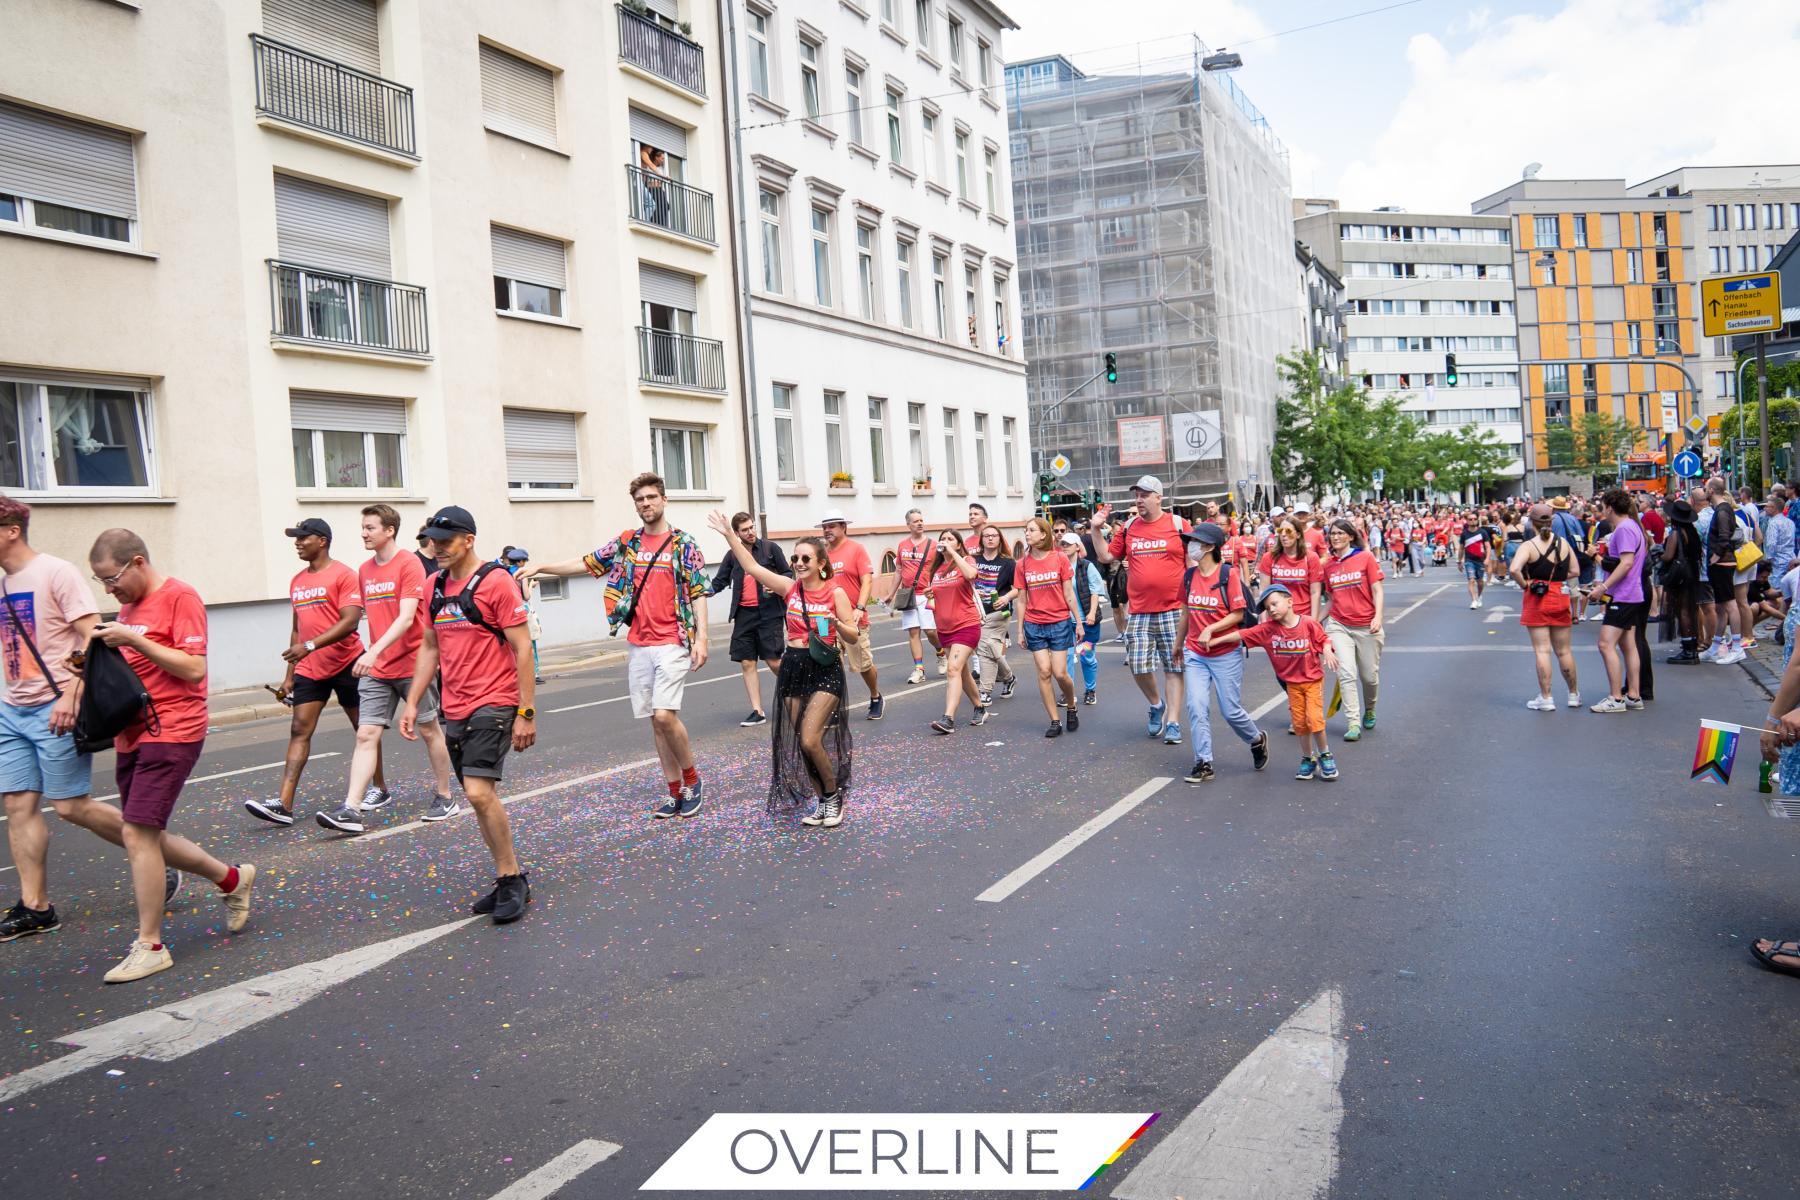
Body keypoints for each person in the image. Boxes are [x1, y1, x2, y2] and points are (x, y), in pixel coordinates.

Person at [0, 501, 184, 941]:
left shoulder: (55, 572)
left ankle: (156, 857)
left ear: (9, 530)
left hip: (56, 705)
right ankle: (36, 907)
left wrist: (70, 694)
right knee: (17, 806)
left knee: (69, 805)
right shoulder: (3, 583)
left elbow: (92, 638)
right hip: (12, 709)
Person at [79, 529, 255, 981]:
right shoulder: (129, 606)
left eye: (111, 578)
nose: (108, 589)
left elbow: (194, 668)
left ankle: (150, 945)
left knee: (138, 833)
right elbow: (137, 665)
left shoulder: (181, 597)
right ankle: (232, 879)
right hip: (131, 732)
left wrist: (133, 640)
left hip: (173, 728)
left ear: (137, 562)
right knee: (146, 835)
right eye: (101, 582)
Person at [522, 473, 710, 817]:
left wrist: (702, 639)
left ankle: (692, 780)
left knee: (666, 715)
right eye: (640, 499)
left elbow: (697, 591)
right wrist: (543, 566)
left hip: (673, 640)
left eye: (652, 497)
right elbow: (587, 562)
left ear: (664, 500)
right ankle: (673, 792)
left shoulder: (684, 544)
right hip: (639, 642)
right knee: (655, 721)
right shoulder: (628, 543)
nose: (646, 504)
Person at [401, 506, 536, 922]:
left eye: (445, 540)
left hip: (495, 701)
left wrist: (526, 711)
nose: (436, 548)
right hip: (453, 705)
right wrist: (412, 700)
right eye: (432, 540)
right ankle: (507, 876)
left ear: (468, 540)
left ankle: (513, 880)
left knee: (478, 792)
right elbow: (429, 646)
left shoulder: (496, 583)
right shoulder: (432, 586)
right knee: (481, 800)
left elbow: (523, 648)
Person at [706, 512, 860, 827]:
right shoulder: (789, 588)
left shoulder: (836, 593)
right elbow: (751, 567)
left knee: (809, 738)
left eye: (806, 558)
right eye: (795, 558)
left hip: (825, 668)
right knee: (803, 740)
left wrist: (836, 623)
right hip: (793, 666)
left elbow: (853, 635)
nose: (799, 562)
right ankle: (821, 802)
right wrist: (728, 536)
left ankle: (833, 796)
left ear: (821, 563)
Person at [316, 505, 458, 834]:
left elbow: (407, 617)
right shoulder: (365, 570)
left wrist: (374, 649)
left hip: (412, 664)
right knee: (366, 734)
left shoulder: (408, 564)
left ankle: (445, 796)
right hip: (379, 669)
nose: (364, 533)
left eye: (370, 528)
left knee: (428, 730)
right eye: (363, 528)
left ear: (389, 530)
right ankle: (351, 809)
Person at [246, 519, 369, 825]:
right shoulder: (297, 580)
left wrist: (310, 646)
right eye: (295, 538)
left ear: (323, 540)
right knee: (299, 729)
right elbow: (296, 629)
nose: (297, 542)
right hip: (311, 668)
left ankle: (376, 790)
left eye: (303, 537)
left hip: (347, 662)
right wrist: (289, 675)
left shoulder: (344, 575)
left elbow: (350, 621)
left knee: (364, 731)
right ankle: (283, 805)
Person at [1093, 475, 1189, 745]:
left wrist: (1194, 604)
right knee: (1138, 665)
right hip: (1140, 610)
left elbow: (1193, 565)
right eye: (1137, 494)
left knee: (1174, 668)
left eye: (1145, 494)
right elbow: (1106, 557)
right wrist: (1095, 529)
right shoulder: (1129, 528)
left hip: (1173, 608)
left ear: (1159, 497)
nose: (1139, 499)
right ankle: (1156, 703)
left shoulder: (1179, 525)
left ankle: (1173, 721)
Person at [1173, 522, 1269, 783]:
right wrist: (1178, 643)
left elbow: (1237, 614)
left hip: (1225, 653)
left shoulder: (1229, 575)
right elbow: (1185, 613)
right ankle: (1203, 762)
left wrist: (1211, 629)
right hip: (1195, 653)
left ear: (1210, 547)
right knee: (1196, 706)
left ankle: (1256, 739)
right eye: (1191, 540)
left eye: (1197, 541)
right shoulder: (1189, 576)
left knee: (1230, 710)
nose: (1191, 545)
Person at [1211, 584, 1338, 781]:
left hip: (1312, 680)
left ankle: (1325, 755)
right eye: (1267, 607)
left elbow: (1324, 640)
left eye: (1274, 603)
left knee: (1314, 720)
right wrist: (1213, 641)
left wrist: (1328, 650)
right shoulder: (1268, 629)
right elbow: (1241, 635)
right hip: (1292, 684)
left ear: (1290, 601)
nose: (1271, 609)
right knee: (1300, 724)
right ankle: (1308, 758)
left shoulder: (1307, 623)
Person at [707, 511, 790, 727]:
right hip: (744, 614)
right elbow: (719, 581)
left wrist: (775, 586)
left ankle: (796, 695)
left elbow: (788, 574)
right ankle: (757, 711)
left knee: (773, 660)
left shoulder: (771, 549)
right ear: (736, 533)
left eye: (752, 527)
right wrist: (702, 592)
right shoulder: (732, 555)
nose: (751, 532)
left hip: (770, 612)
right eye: (745, 530)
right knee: (747, 661)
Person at [1003, 518, 1081, 738]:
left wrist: (1079, 622)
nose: (1027, 534)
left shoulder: (1060, 559)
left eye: (1031, 530)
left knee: (1060, 673)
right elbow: (1021, 600)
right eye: (1026, 530)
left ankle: (1071, 705)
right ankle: (1054, 720)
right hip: (1034, 624)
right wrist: (1019, 630)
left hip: (1059, 622)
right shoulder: (1022, 564)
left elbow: (1068, 594)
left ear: (1043, 534)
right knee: (1044, 672)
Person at [1320, 519, 1385, 741]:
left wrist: (1378, 616)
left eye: (1340, 533)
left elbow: (1377, 590)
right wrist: (1312, 622)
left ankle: (1370, 709)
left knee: (1369, 677)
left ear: (1350, 536)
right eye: (1332, 534)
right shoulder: (1328, 566)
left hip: (1367, 625)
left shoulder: (1365, 557)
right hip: (1339, 626)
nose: (1335, 537)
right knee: (1346, 673)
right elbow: (1330, 600)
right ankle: (1353, 722)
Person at [1511, 503, 1580, 710]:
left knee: (1542, 650)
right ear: (1551, 521)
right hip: (1560, 594)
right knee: (1564, 650)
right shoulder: (1564, 544)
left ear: (1531, 522)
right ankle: (1573, 694)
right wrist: (1557, 578)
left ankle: (1547, 697)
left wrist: (1526, 585)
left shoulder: (1528, 546)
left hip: (1536, 597)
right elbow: (1575, 571)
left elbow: (1515, 569)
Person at [1585, 488, 1647, 713]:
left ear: (1610, 508)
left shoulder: (1624, 529)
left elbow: (1627, 563)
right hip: (1630, 593)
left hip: (1624, 594)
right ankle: (1633, 694)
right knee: (1628, 645)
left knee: (1605, 644)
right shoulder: (1633, 526)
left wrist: (1603, 586)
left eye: (1603, 507)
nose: (1602, 511)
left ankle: (1617, 698)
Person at [819, 511, 884, 720]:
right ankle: (834, 706)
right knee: (828, 664)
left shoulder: (856, 549)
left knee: (863, 664)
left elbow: (867, 581)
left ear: (843, 527)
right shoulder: (821, 554)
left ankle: (875, 696)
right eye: (824, 527)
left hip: (853, 619)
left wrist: (860, 607)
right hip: (826, 619)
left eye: (832, 526)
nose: (827, 530)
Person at [927, 530, 985, 734]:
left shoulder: (966, 560)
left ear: (959, 544)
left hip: (966, 625)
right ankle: (979, 707)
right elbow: (936, 598)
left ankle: (948, 719)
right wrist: (929, 594)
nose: (945, 542)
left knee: (952, 669)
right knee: (961, 671)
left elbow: (971, 575)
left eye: (950, 539)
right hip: (945, 628)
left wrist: (954, 552)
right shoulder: (936, 570)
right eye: (943, 539)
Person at [888, 509, 943, 682]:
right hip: (909, 595)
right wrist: (890, 594)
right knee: (913, 632)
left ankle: (941, 653)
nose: (920, 523)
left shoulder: (933, 545)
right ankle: (919, 669)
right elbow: (898, 570)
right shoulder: (902, 545)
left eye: (921, 520)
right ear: (908, 525)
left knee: (931, 631)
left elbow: (940, 569)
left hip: (927, 595)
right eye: (915, 521)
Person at [970, 524, 1018, 706]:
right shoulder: (973, 560)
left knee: (984, 647)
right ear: (981, 540)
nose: (990, 539)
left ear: (1000, 539)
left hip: (999, 612)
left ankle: (984, 691)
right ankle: (1009, 677)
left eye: (994, 536)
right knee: (990, 648)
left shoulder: (1007, 562)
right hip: (975, 611)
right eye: (986, 536)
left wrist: (1006, 598)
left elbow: (1018, 589)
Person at [1702, 478, 1749, 665]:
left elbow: (1724, 537)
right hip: (1724, 563)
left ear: (1712, 490)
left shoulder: (1721, 511)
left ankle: (1737, 647)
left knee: (1729, 604)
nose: (1705, 491)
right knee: (1721, 606)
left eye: (1706, 488)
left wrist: (1716, 556)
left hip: (1722, 564)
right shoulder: (1725, 509)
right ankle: (1715, 646)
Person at [1660, 499, 1705, 663]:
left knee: (1683, 610)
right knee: (1690, 609)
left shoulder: (1676, 533)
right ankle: (1692, 645)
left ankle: (1687, 650)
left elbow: (1668, 555)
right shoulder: (1692, 532)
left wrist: (1659, 553)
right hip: (1692, 572)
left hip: (1680, 575)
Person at [1065, 533, 1105, 706]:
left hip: (1085, 623)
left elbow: (1095, 590)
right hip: (1066, 622)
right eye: (1062, 543)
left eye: (1068, 543)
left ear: (1077, 546)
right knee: (1066, 657)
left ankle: (1090, 690)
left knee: (1085, 656)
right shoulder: (1059, 566)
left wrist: (1091, 613)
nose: (1064, 546)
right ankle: (1068, 691)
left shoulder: (1086, 566)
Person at [1460, 514, 1493, 609]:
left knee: (1480, 581)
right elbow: (1461, 548)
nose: (1473, 520)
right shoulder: (1464, 534)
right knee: (1471, 580)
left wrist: (1487, 558)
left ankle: (1479, 596)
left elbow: (1488, 546)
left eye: (1475, 519)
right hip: (1469, 560)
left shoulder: (1482, 532)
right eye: (1470, 519)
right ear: (1467, 521)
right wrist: (1459, 561)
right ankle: (1474, 600)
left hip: (1480, 560)